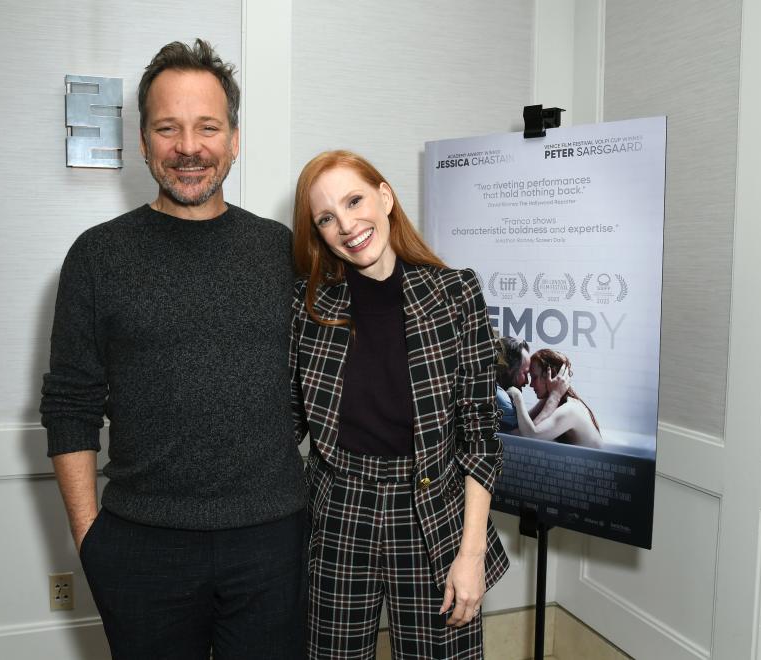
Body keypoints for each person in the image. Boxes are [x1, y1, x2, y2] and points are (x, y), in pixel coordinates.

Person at [40, 39, 306, 660]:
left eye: (207, 127)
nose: (189, 147)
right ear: (143, 142)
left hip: (274, 541)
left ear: (234, 139)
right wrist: (90, 539)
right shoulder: (97, 256)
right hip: (140, 546)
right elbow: (69, 405)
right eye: (168, 128)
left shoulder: (280, 251)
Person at [290, 150, 508, 658]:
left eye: (354, 200)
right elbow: (282, 426)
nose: (346, 225)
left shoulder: (455, 294)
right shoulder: (307, 307)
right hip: (340, 510)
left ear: (385, 196)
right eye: (326, 217)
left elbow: (480, 439)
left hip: (432, 510)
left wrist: (471, 554)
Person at [507, 348, 602, 448]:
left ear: (551, 376)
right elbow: (520, 432)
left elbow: (531, 437)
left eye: (534, 377)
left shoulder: (571, 410)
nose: (531, 384)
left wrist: (517, 397)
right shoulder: (550, 400)